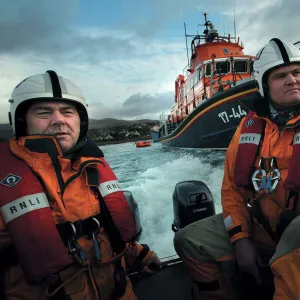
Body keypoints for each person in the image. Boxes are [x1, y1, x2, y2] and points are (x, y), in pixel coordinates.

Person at [0, 70, 161, 300]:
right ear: (21, 120)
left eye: (68, 112)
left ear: (80, 120)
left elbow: (104, 228)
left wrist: (139, 254)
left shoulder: (92, 167)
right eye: (44, 112)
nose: (59, 120)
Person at [174, 38, 300, 299]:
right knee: (188, 240)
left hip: (296, 233)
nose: (292, 80)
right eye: (280, 76)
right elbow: (232, 190)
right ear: (263, 84)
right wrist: (240, 238)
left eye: (298, 72)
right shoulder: (248, 128)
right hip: (263, 226)